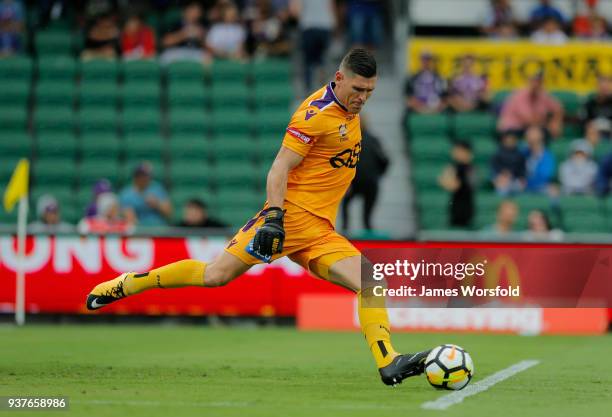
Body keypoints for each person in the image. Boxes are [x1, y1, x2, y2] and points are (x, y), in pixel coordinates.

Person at [87, 48, 433, 387]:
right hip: (291, 218)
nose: (363, 98)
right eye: (358, 89)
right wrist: (273, 217)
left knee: (371, 283)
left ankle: (389, 362)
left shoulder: (349, 110)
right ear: (339, 78)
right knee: (214, 276)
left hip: (320, 230)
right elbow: (280, 166)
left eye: (370, 91)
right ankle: (128, 283)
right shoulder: (314, 115)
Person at [341, 117, 389, 231]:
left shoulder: (347, 140)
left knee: (346, 205)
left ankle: (345, 229)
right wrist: (378, 175)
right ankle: (367, 230)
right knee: (367, 214)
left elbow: (342, 162)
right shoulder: (374, 140)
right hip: (370, 181)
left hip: (353, 182)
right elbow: (385, 160)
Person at [497, 72, 564, 138]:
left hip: (530, 128)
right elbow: (529, 120)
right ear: (530, 82)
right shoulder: (520, 95)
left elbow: (558, 109)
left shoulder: (542, 94)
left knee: (537, 133)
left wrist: (555, 122)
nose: (537, 84)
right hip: (512, 127)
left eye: (539, 82)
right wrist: (548, 125)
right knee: (533, 133)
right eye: (535, 81)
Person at [291, 0, 335, 91]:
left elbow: (295, 10)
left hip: (308, 26)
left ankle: (309, 89)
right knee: (322, 59)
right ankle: (323, 87)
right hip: (325, 26)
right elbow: (331, 6)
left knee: (308, 62)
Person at [119, 162, 172, 227]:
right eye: (140, 175)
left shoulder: (157, 189)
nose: (143, 178)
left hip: (159, 229)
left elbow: (169, 213)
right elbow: (129, 218)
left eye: (145, 175)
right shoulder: (127, 193)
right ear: (135, 177)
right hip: (139, 231)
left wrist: (157, 204)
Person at [438, 140, 476, 228]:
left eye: (457, 150)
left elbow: (453, 186)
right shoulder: (455, 166)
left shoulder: (470, 169)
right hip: (455, 209)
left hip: (466, 211)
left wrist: (446, 180)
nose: (454, 152)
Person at [522, 126, 556, 193]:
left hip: (540, 187)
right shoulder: (522, 153)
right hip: (522, 186)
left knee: (552, 191)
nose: (528, 134)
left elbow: (544, 177)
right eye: (528, 133)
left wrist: (527, 182)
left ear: (541, 136)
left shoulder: (547, 156)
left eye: (532, 132)